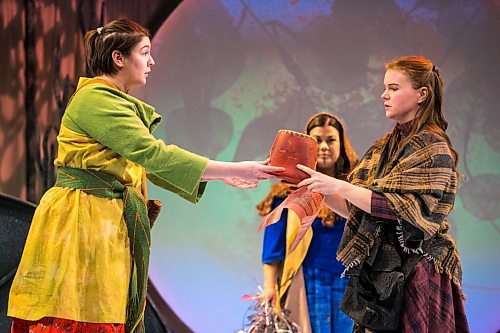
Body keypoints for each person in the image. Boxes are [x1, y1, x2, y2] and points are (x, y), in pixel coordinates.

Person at [7, 18, 283, 333]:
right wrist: (233, 168)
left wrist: (219, 176)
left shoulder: (112, 100)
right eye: (144, 52)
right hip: (83, 220)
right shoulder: (96, 99)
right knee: (80, 313)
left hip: (103, 219)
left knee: (102, 311)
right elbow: (152, 154)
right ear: (119, 58)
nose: (151, 61)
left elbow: (145, 162)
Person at [297, 56, 470, 332]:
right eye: (384, 87)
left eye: (393, 88)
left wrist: (339, 186)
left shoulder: (432, 147)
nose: (384, 95)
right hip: (385, 276)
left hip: (418, 270)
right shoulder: (384, 149)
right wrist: (311, 183)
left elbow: (401, 209)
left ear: (421, 94)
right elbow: (361, 210)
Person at [257, 112, 358, 332]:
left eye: (331, 140)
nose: (324, 146)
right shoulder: (287, 191)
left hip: (352, 282)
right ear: (308, 146)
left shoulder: (356, 190)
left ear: (341, 144)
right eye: (317, 140)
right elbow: (273, 247)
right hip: (308, 281)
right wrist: (269, 286)